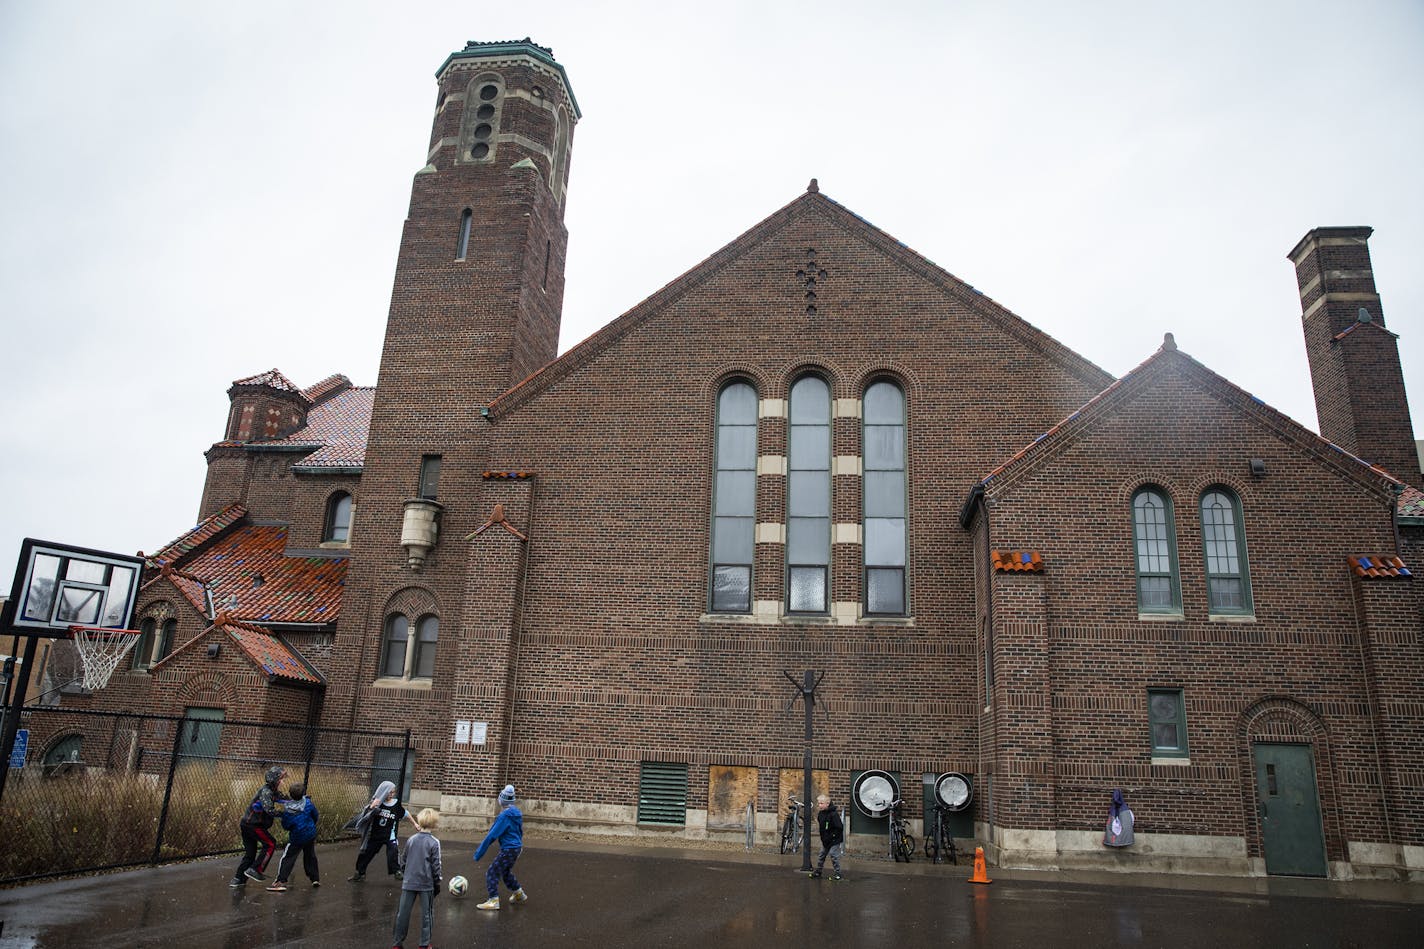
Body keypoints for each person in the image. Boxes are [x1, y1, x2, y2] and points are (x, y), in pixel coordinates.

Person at [392, 808, 442, 949]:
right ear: (434, 824)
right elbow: (436, 865)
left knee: (403, 913)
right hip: (426, 883)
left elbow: (404, 860)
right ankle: (424, 944)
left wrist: (405, 873)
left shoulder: (411, 840)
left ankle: (397, 943)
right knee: (427, 913)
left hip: (409, 881)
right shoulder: (434, 842)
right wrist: (437, 881)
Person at [349, 780, 419, 882]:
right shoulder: (378, 803)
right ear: (384, 791)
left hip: (390, 834)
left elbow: (406, 813)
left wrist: (415, 824)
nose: (391, 794)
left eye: (393, 792)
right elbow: (366, 815)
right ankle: (359, 873)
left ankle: (397, 872)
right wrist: (372, 806)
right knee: (366, 853)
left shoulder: (395, 804)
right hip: (376, 835)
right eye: (389, 792)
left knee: (393, 851)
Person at [473, 783, 527, 910]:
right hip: (516, 848)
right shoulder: (517, 814)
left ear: (501, 800)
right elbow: (520, 832)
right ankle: (519, 893)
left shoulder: (503, 817)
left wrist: (479, 853)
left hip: (508, 849)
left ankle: (493, 900)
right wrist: (519, 846)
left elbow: (491, 836)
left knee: (492, 872)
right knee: (505, 871)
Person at [230, 765, 287, 886]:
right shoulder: (266, 792)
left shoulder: (272, 791)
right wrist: (284, 814)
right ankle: (256, 870)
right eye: (281, 779)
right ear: (275, 779)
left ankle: (238, 879)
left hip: (247, 824)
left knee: (250, 853)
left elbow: (283, 798)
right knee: (271, 843)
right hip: (253, 825)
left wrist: (299, 799)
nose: (282, 782)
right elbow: (269, 810)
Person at [267, 781, 320, 891]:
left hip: (297, 837)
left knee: (288, 857)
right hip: (310, 834)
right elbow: (315, 815)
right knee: (310, 856)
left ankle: (281, 880)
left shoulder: (288, 810)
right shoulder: (308, 803)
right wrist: (311, 825)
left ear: (290, 794)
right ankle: (314, 878)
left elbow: (286, 825)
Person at [808, 793, 844, 880]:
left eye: (821, 803)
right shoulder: (821, 814)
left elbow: (839, 827)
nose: (819, 805)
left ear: (827, 803)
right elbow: (822, 828)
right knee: (821, 855)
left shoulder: (833, 814)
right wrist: (824, 838)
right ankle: (818, 871)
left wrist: (833, 836)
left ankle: (838, 873)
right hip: (826, 840)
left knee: (833, 855)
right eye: (819, 803)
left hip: (834, 839)